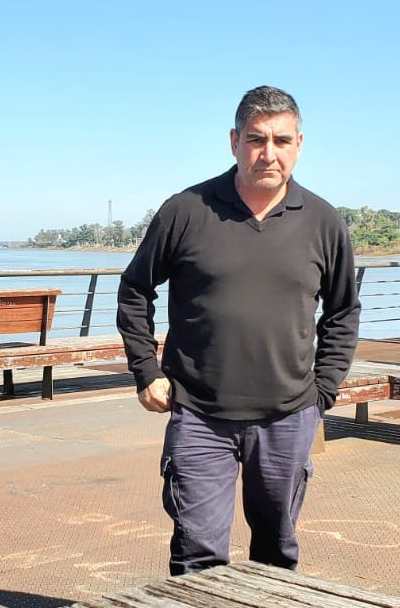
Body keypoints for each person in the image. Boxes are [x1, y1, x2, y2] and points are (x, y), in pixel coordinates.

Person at [116, 85, 360, 575]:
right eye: (255, 139)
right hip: (200, 415)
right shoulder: (186, 210)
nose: (268, 153)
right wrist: (146, 371)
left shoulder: (323, 221)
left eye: (281, 140)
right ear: (234, 142)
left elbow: (342, 311)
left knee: (275, 554)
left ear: (299, 145)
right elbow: (135, 289)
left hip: (288, 416)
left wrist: (324, 391)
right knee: (197, 556)